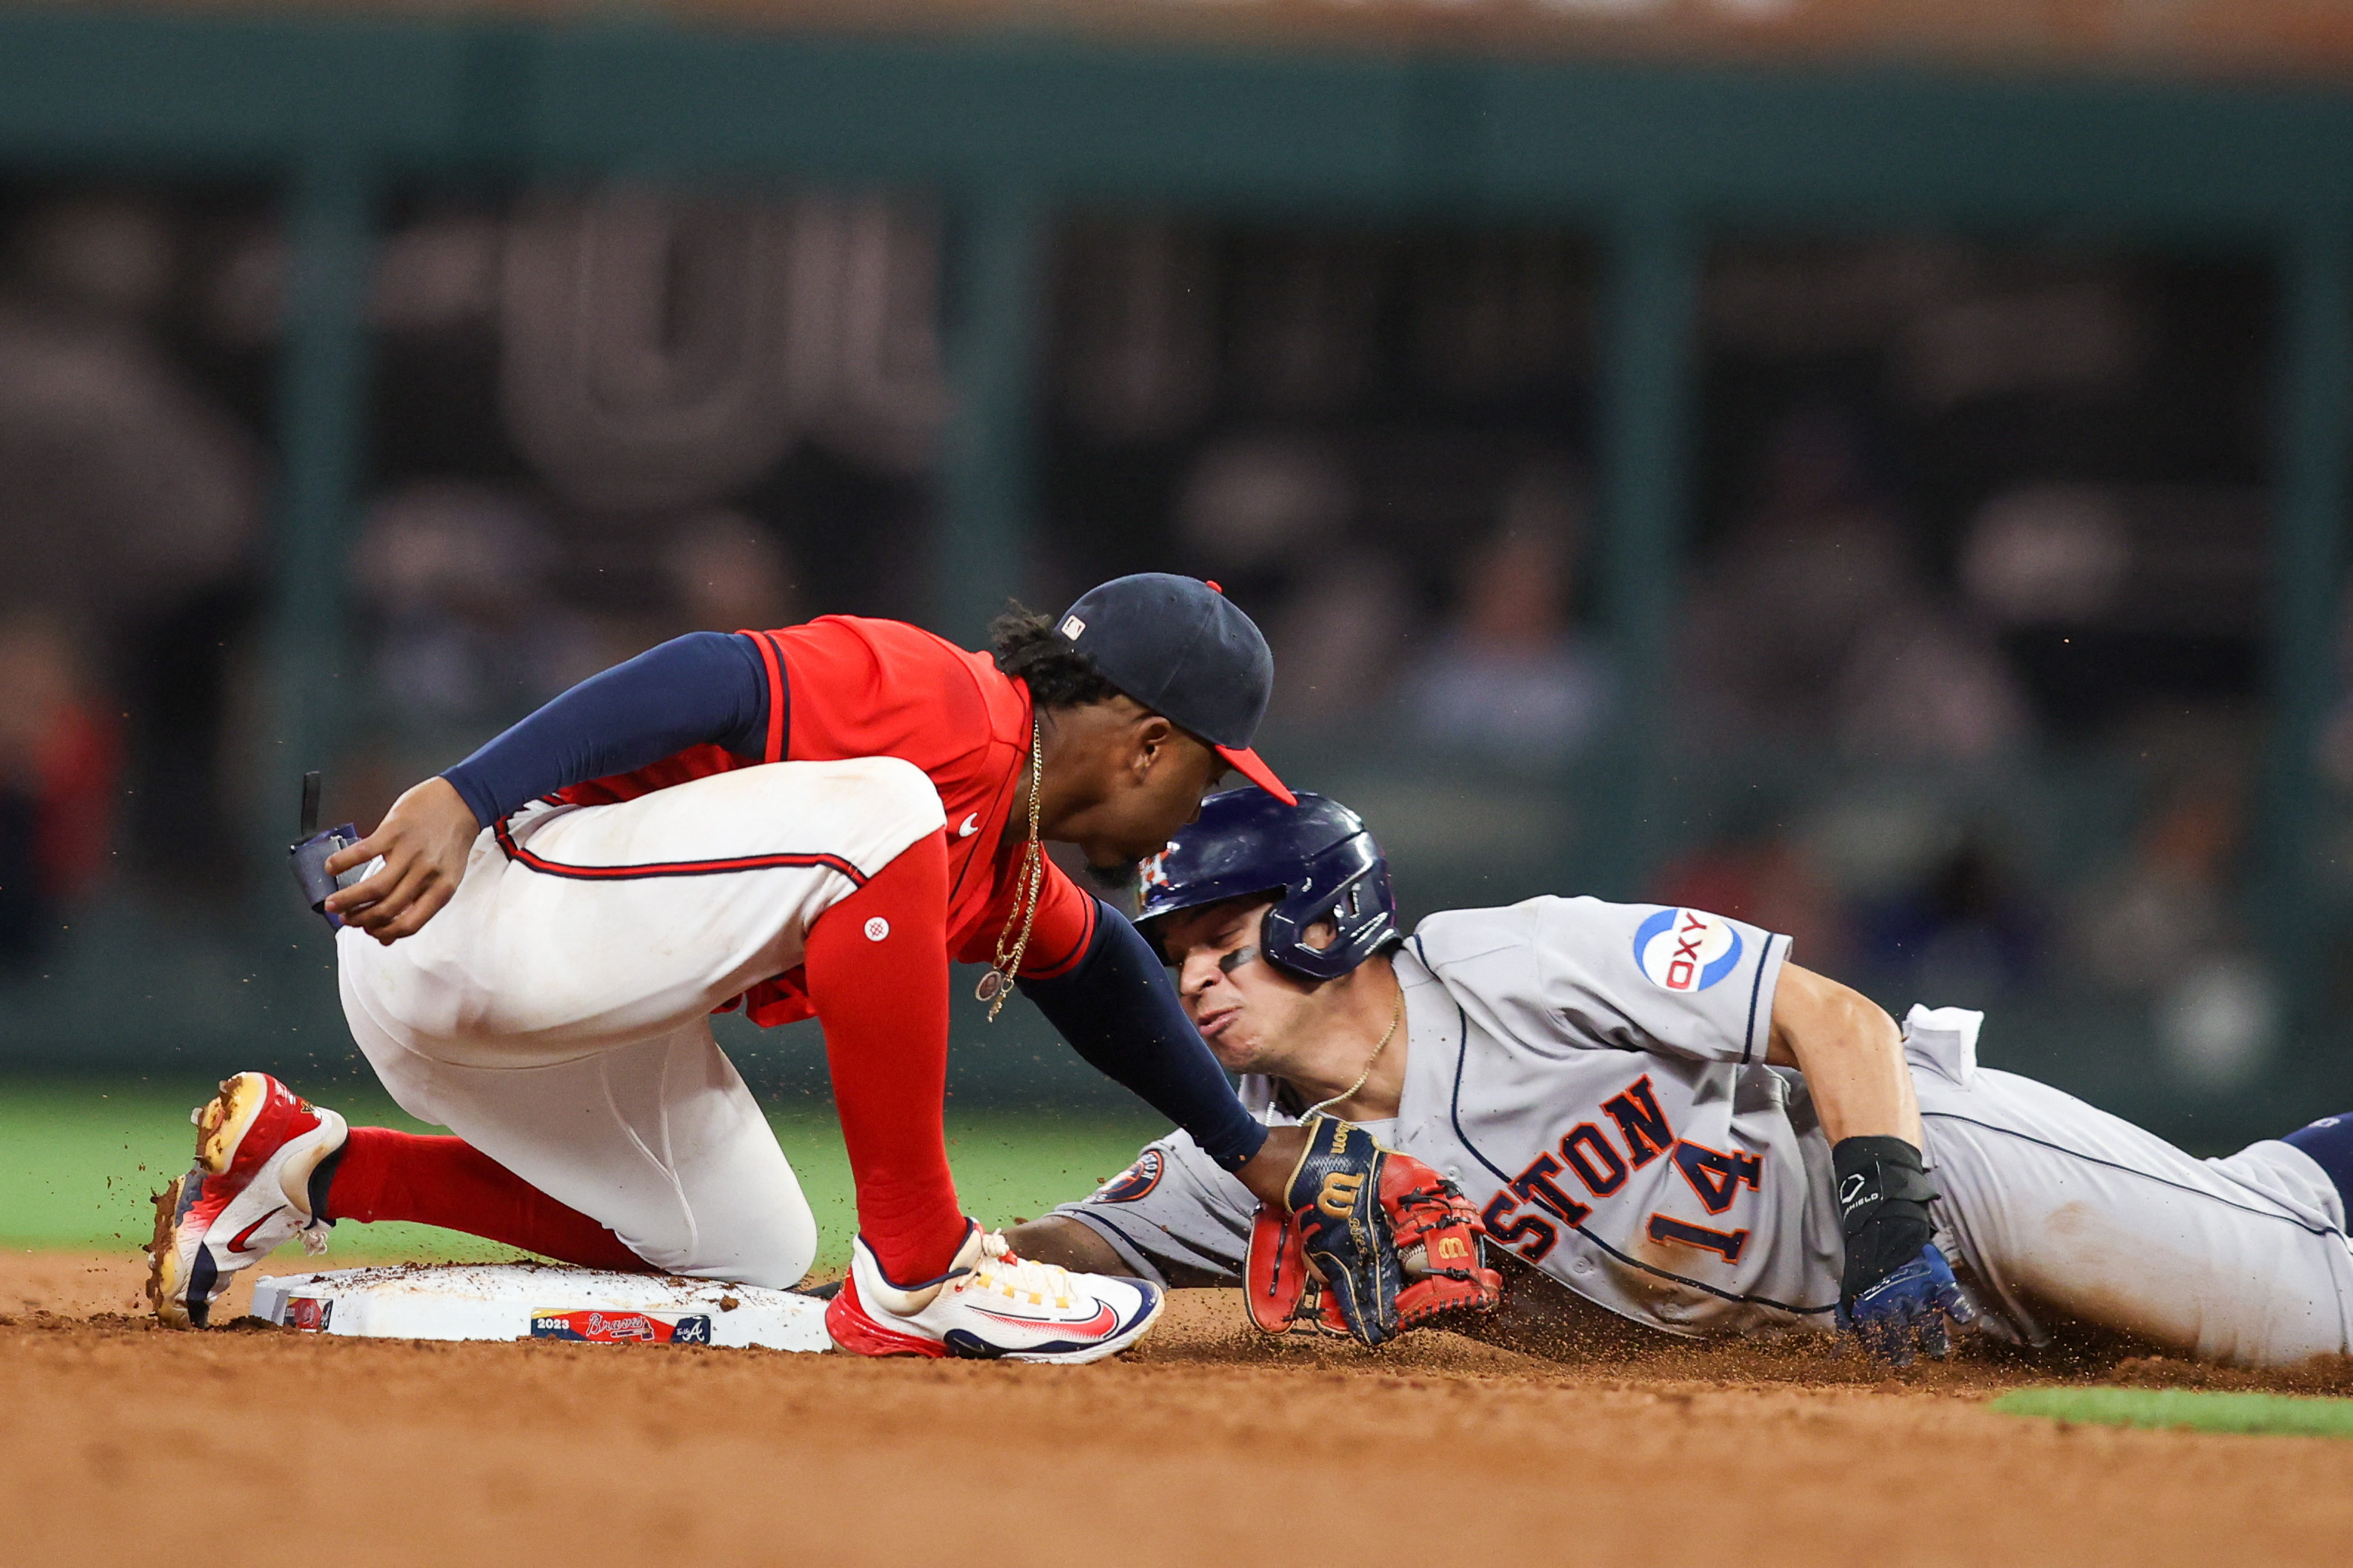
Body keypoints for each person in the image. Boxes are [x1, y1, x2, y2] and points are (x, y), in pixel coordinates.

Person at [148, 574, 1332, 1364]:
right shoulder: (952, 707)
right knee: (887, 806)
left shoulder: (995, 845)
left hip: (539, 1006)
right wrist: (466, 793)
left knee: (745, 1248)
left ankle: (302, 1166)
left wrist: (1249, 1149)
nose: (1202, 802)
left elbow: (1100, 971)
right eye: (1210, 774)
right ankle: (919, 1264)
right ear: (1147, 744)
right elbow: (706, 673)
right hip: (479, 915)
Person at [1011, 787, 2353, 1369]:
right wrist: (894, 1282)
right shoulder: (1244, 1153)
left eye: (1217, 940)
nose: (1188, 980)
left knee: (2312, 1310)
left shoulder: (1511, 960)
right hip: (1863, 1326)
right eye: (1171, 951)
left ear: (1318, 913)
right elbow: (1060, 1242)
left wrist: (1891, 1216)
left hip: (1948, 1180)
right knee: (2253, 1195)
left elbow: (1835, 1017)